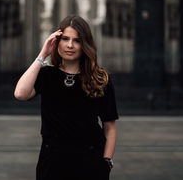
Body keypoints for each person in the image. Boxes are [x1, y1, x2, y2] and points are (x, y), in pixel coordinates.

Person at [14, 15, 118, 180]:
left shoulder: (100, 78)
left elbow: (110, 126)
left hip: (90, 162)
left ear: (85, 44)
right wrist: (43, 54)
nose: (70, 45)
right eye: (65, 39)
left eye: (77, 40)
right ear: (57, 41)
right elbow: (20, 93)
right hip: (52, 162)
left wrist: (107, 161)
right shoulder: (46, 75)